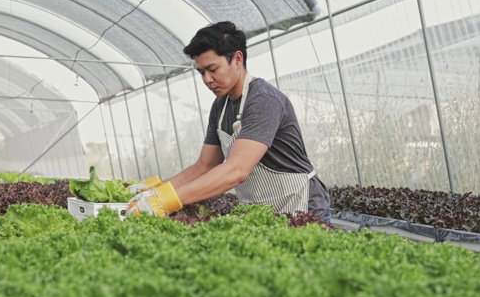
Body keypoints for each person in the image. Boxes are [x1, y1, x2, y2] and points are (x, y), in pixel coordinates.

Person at [126, 21, 331, 222]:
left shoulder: (263, 100)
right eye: (201, 73)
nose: (207, 79)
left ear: (237, 59)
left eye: (213, 69)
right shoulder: (220, 106)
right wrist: (156, 190)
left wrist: (167, 201)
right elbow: (204, 166)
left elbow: (237, 169)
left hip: (300, 206)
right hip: (262, 212)